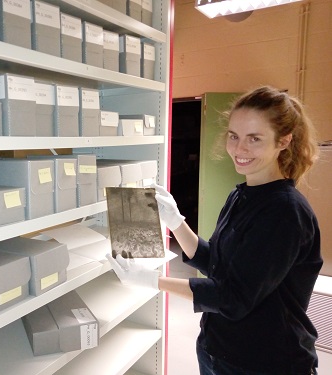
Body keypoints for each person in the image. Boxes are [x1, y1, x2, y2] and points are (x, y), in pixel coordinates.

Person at [106, 86, 323, 375]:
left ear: (283, 141)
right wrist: (177, 222)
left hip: (265, 361)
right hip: (218, 348)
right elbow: (218, 264)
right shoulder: (242, 195)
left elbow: (234, 297)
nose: (239, 149)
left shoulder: (284, 211)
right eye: (233, 136)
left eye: (254, 139)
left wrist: (152, 280)